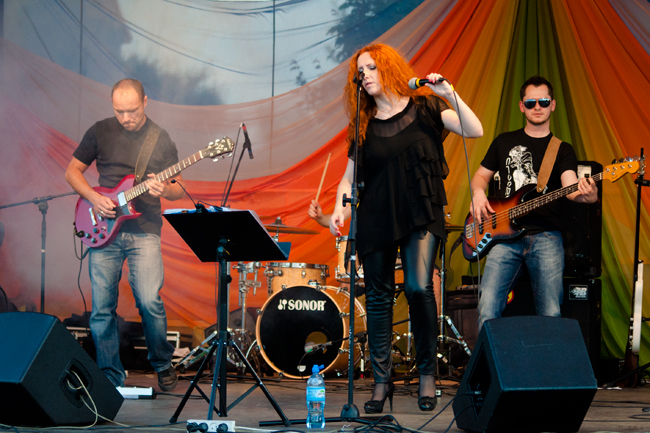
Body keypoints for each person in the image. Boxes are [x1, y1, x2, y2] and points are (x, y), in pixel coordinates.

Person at [330, 43, 483, 413]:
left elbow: (474, 130)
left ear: (389, 68)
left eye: (371, 67)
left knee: (418, 287)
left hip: (420, 211)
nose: (365, 75)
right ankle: (382, 382)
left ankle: (427, 374)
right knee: (378, 297)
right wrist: (339, 207)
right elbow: (349, 177)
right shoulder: (363, 125)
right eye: (360, 71)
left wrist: (449, 93)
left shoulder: (427, 108)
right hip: (376, 215)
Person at [65, 79, 185, 391]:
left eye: (131, 110)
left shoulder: (160, 138)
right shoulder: (100, 130)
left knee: (149, 300)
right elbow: (72, 171)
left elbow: (178, 188)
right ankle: (109, 375)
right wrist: (94, 198)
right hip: (103, 227)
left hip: (144, 229)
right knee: (102, 308)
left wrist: (164, 189)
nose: (126, 118)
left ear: (145, 102)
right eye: (119, 111)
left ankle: (162, 363)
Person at [469, 76, 598, 332]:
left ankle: (548, 360)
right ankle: (490, 359)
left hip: (546, 237)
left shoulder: (562, 150)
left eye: (543, 101)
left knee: (551, 313)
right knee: (487, 308)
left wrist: (589, 195)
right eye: (530, 102)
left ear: (553, 105)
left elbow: (571, 188)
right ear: (522, 106)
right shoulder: (503, 141)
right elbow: (481, 176)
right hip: (502, 237)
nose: (537, 107)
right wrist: (477, 193)